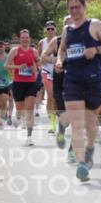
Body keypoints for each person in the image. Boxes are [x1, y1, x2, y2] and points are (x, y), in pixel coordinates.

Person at [56, 0, 101, 181]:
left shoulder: (94, 25)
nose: (74, 11)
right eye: (71, 8)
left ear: (84, 7)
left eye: (77, 7)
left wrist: (96, 50)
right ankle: (81, 164)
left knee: (90, 125)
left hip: (92, 81)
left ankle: (90, 148)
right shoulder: (67, 30)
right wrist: (59, 61)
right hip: (72, 80)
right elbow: (62, 49)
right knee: (77, 125)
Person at [40, 16, 72, 152]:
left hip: (76, 79)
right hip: (59, 78)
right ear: (63, 27)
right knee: (60, 107)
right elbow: (43, 56)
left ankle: (72, 149)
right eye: (67, 24)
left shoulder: (84, 38)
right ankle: (60, 129)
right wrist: (54, 60)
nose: (70, 27)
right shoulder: (56, 41)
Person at [6, 30, 40, 144]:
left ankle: (29, 137)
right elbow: (7, 66)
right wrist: (18, 66)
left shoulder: (34, 51)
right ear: (20, 39)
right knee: (20, 107)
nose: (25, 39)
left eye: (27, 37)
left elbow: (38, 64)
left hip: (31, 82)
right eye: (23, 37)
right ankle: (18, 116)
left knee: (30, 108)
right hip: (18, 82)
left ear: (29, 39)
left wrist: (36, 68)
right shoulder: (14, 51)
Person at [37, 22, 58, 133]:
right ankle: (51, 123)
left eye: (52, 29)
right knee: (50, 97)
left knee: (57, 98)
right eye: (48, 29)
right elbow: (39, 58)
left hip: (59, 71)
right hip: (46, 71)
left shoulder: (60, 41)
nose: (50, 31)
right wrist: (47, 61)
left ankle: (58, 117)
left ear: (55, 29)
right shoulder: (42, 42)